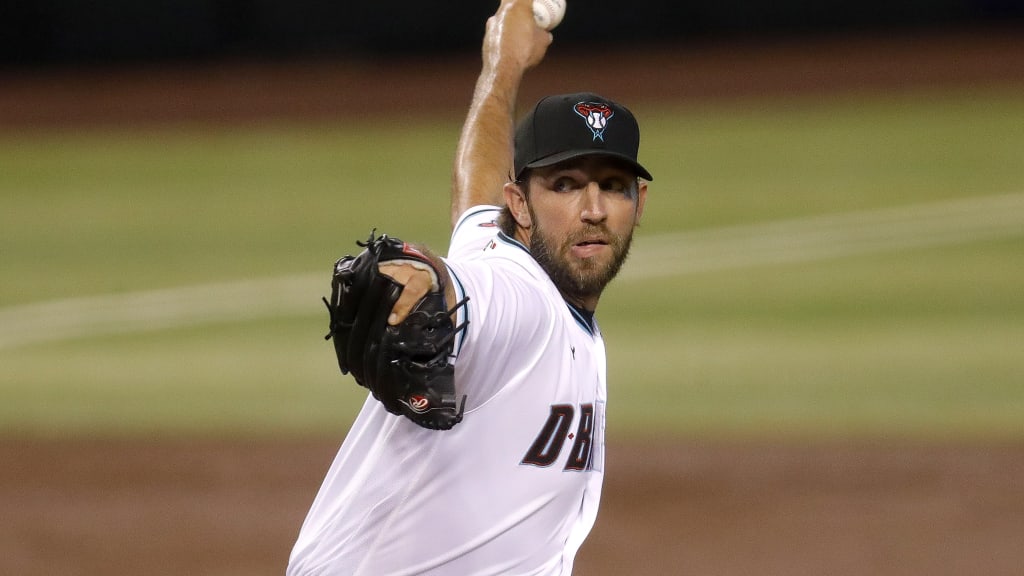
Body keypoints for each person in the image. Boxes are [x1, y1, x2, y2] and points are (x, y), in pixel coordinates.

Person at [287, 0, 652, 573]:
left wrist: (502, 65)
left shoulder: (498, 240)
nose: (593, 209)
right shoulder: (521, 298)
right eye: (564, 185)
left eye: (613, 185)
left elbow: (477, 186)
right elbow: (464, 294)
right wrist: (420, 283)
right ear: (521, 203)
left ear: (639, 201)